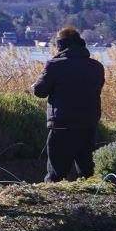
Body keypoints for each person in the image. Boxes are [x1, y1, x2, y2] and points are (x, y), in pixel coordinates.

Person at [33, 26, 105, 182]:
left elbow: (40, 91)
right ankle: (90, 197)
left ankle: (53, 201)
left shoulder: (54, 65)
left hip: (62, 124)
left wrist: (36, 84)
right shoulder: (96, 66)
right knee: (88, 170)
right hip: (88, 123)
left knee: (56, 173)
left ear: (60, 45)